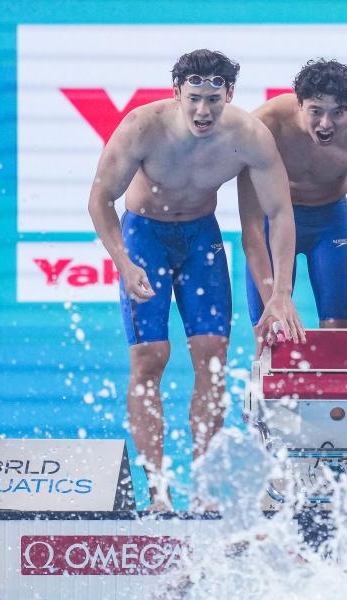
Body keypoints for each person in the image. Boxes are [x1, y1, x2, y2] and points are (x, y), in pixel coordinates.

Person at [87, 49, 305, 510]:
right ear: (176, 93)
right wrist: (124, 263)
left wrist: (282, 291)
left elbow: (280, 212)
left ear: (230, 95)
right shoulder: (143, 127)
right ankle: (158, 492)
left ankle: (204, 489)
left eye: (213, 100)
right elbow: (100, 199)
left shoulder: (249, 136)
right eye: (194, 99)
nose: (203, 111)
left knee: (212, 359)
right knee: (149, 359)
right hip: (144, 236)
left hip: (200, 238)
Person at [239, 59, 347, 332]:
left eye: (337, 113)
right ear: (299, 103)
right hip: (276, 219)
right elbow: (252, 229)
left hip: (330, 221)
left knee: (341, 330)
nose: (326, 124)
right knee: (271, 329)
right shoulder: (265, 125)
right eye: (316, 111)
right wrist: (273, 300)